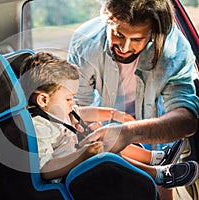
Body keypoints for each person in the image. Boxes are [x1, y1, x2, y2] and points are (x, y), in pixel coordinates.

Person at [67, 0, 199, 198]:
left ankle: (159, 165)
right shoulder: (85, 42)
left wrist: (130, 133)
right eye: (118, 34)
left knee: (161, 190)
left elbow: (186, 120)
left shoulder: (174, 52)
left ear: (154, 33)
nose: (124, 47)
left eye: (137, 39)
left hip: (156, 131)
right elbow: (77, 106)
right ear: (107, 20)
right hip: (102, 124)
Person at [19, 51, 199, 188]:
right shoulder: (39, 127)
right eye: (68, 99)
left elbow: (81, 112)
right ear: (43, 100)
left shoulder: (56, 110)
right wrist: (83, 155)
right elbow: (45, 169)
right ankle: (160, 175)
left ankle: (157, 158)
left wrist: (113, 114)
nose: (72, 103)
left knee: (110, 134)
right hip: (72, 171)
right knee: (107, 152)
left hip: (80, 153)